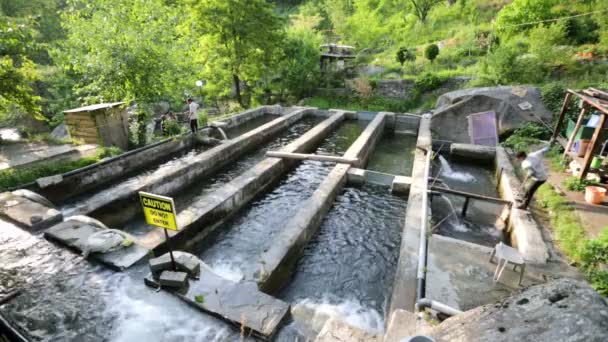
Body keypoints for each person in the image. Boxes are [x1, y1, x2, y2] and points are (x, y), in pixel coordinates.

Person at [515, 145, 550, 209]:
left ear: (522, 157)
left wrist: (527, 177)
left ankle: (524, 205)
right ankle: (523, 199)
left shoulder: (526, 163)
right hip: (541, 175)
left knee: (530, 190)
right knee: (528, 188)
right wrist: (549, 146)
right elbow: (543, 150)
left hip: (540, 178)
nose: (518, 160)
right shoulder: (533, 154)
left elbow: (530, 173)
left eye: (518, 158)